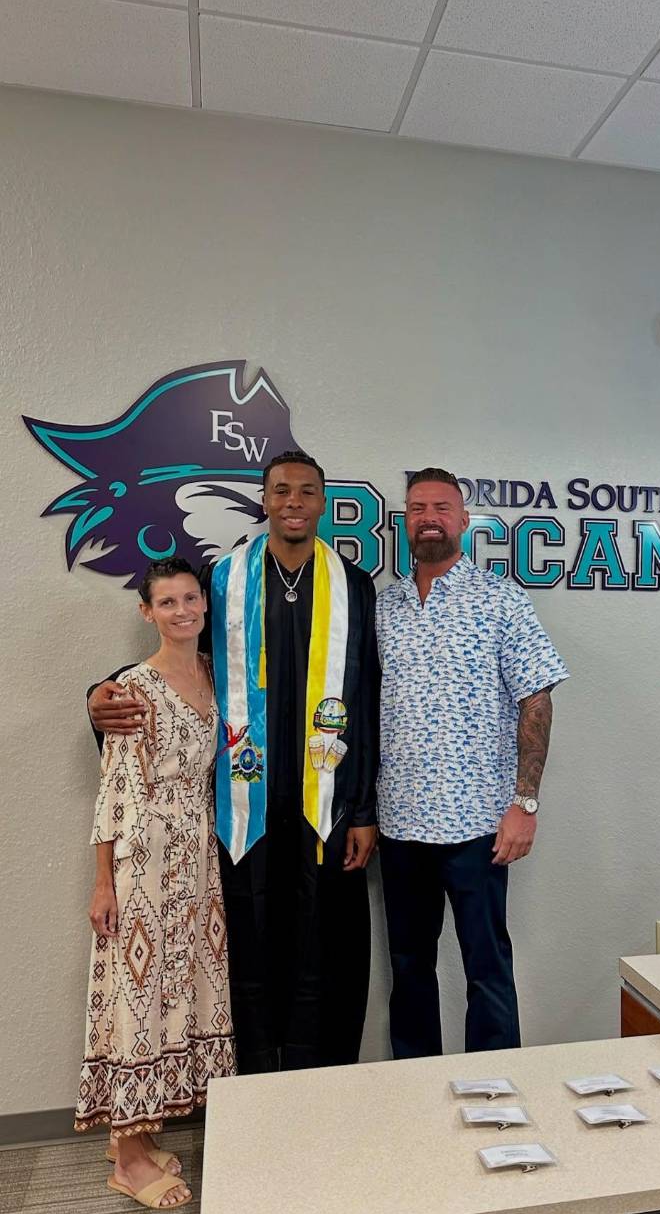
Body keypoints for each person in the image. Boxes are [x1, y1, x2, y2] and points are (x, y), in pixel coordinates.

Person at [88, 451, 380, 1074]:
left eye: (306, 491)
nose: (293, 501)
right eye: (281, 491)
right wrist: (104, 691)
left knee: (323, 944)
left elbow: (369, 697)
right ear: (264, 500)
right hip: (240, 801)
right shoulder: (223, 579)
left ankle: (320, 1079)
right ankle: (245, 1082)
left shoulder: (354, 585)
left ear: (323, 502)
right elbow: (179, 658)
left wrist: (362, 807)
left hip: (325, 801)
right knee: (248, 940)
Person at [376, 467, 569, 1058]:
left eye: (441, 507)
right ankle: (415, 1083)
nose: (428, 517)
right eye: (416, 508)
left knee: (487, 965)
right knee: (408, 968)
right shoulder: (384, 607)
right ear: (404, 522)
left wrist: (525, 803)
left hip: (478, 825)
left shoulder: (500, 598)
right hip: (398, 823)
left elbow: (536, 697)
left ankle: (495, 1091)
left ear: (463, 520)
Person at [76, 557, 236, 1210]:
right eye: (166, 602)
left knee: (184, 988)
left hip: (199, 858)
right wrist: (103, 884)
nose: (181, 611)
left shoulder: (213, 675)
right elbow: (112, 790)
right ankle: (129, 1157)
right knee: (137, 995)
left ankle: (139, 1139)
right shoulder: (131, 688)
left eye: (190, 598)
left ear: (205, 604)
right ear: (147, 612)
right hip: (144, 856)